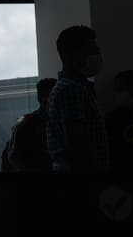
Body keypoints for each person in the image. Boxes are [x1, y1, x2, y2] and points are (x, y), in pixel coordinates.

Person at [45, 25, 109, 172]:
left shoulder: (72, 87)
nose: (98, 54)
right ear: (70, 54)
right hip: (82, 182)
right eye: (91, 50)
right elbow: (76, 144)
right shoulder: (71, 89)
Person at [2, 78, 57, 172]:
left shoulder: (26, 121)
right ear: (42, 98)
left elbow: (14, 156)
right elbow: (14, 157)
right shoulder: (28, 122)